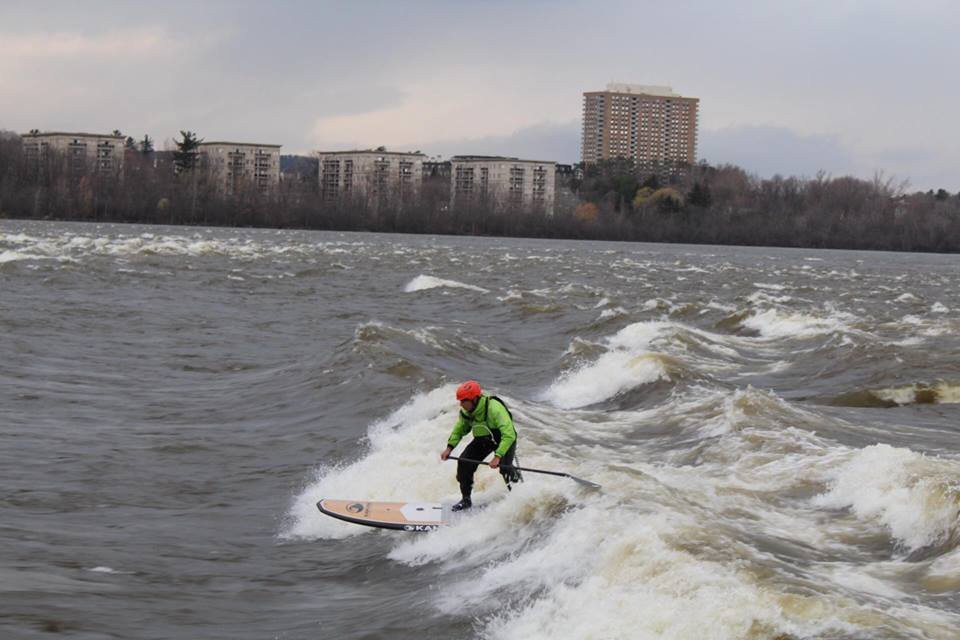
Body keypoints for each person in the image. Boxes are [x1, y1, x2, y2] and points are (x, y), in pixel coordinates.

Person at [440, 380, 520, 511]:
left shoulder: (494, 408)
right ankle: (466, 500)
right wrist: (449, 448)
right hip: (484, 440)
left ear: (474, 399)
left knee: (504, 468)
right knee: (464, 463)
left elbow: (509, 435)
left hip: (504, 439)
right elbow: (459, 430)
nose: (461, 404)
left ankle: (518, 497)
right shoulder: (466, 412)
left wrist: (498, 456)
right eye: (460, 401)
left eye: (463, 401)